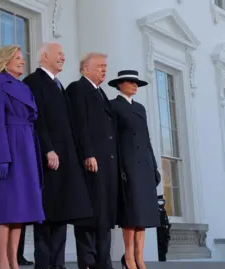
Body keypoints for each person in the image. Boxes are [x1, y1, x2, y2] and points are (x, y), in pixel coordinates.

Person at [23, 42, 93, 269]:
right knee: (46, 215)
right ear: (44, 56)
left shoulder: (59, 85)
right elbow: (37, 118)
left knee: (62, 213)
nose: (64, 57)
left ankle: (59, 265)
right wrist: (47, 148)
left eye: (64, 54)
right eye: (59, 54)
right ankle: (44, 265)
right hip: (48, 158)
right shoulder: (33, 82)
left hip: (66, 160)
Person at [0, 45, 45, 269]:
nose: (22, 61)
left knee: (20, 208)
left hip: (26, 147)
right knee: (5, 207)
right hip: (9, 148)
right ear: (5, 61)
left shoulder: (24, 88)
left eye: (22, 58)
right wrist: (1, 157)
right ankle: (2, 260)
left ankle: (13, 261)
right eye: (17, 58)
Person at [66, 52, 119, 269]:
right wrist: (88, 153)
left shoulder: (101, 93)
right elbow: (79, 124)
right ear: (85, 68)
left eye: (105, 66)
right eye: (99, 66)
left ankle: (104, 263)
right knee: (89, 216)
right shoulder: (77, 89)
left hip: (107, 164)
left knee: (104, 217)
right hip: (90, 163)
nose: (104, 70)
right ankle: (88, 263)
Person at [109, 70, 161, 269]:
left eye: (136, 83)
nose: (134, 85)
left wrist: (154, 166)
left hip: (145, 165)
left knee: (143, 215)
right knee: (131, 214)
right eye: (131, 82)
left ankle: (140, 257)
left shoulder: (140, 108)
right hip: (127, 164)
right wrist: (117, 166)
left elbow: (147, 139)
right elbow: (112, 139)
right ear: (120, 84)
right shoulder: (114, 106)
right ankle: (128, 257)